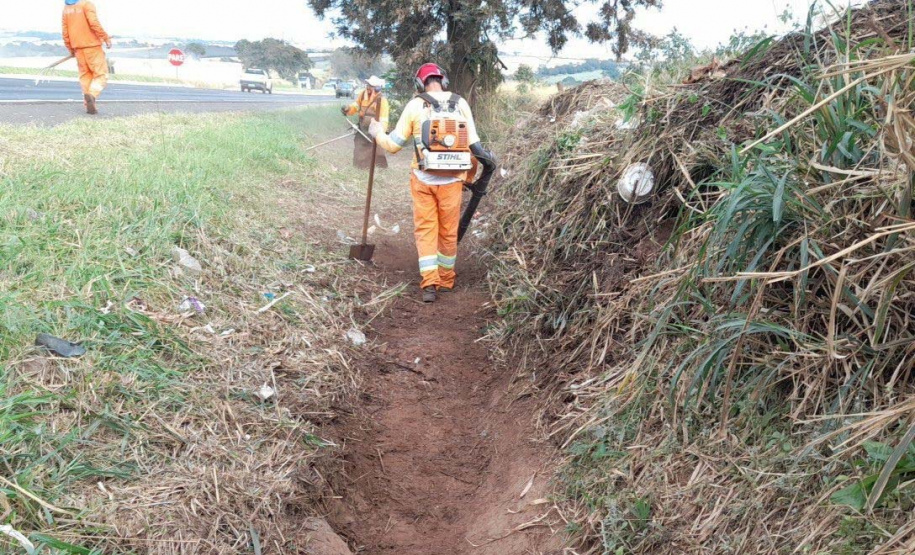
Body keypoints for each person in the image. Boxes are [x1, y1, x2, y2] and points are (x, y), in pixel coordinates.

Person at [369, 63, 496, 303]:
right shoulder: (460, 103)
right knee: (448, 231)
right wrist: (480, 170)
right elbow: (475, 146)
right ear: (443, 80)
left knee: (426, 229)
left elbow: (394, 145)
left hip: (423, 179)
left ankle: (429, 283)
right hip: (453, 180)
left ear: (420, 84)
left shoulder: (415, 105)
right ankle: (446, 280)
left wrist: (377, 133)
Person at [62, 0, 111, 115]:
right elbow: (94, 23)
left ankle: (88, 104)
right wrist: (105, 38)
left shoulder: (66, 9)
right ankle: (92, 94)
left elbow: (65, 32)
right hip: (92, 47)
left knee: (85, 76)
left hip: (78, 49)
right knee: (101, 75)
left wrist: (70, 49)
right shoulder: (87, 4)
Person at [342, 75, 390, 169]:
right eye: (367, 85)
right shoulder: (362, 95)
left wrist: (380, 133)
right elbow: (356, 106)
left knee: (377, 152)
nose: (368, 87)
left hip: (375, 131)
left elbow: (384, 120)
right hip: (362, 129)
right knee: (359, 149)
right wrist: (348, 109)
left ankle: (379, 169)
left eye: (370, 86)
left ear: (377, 88)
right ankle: (359, 168)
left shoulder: (382, 100)